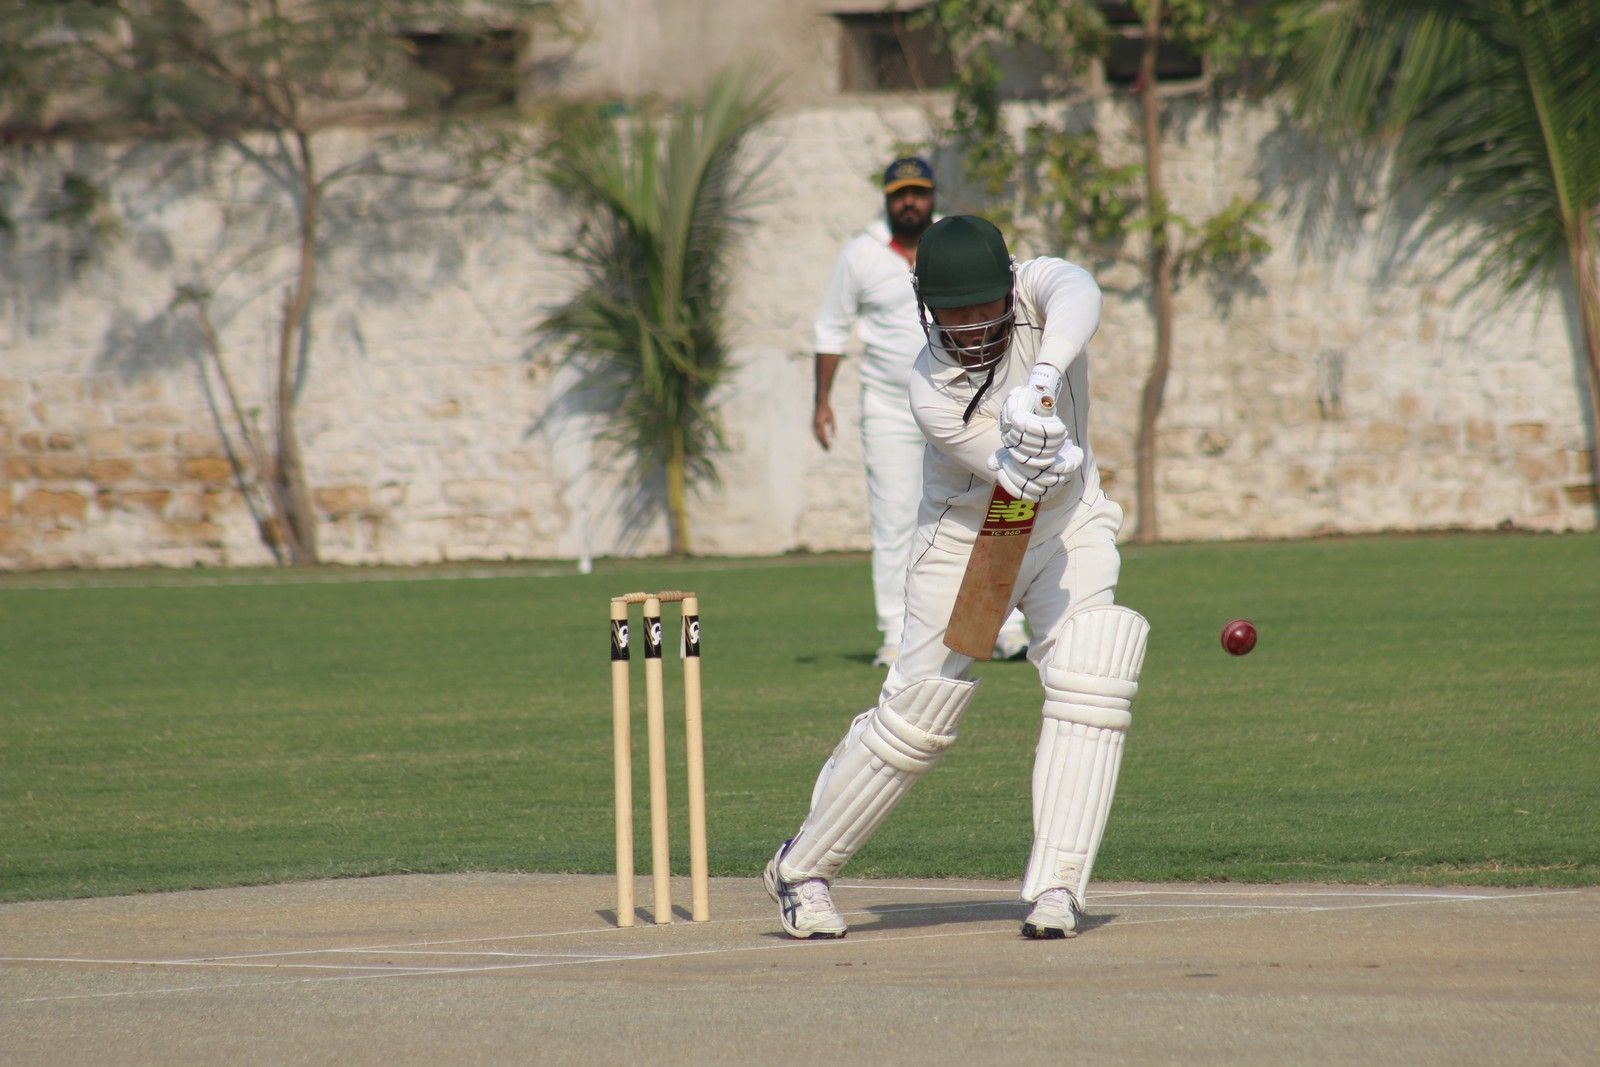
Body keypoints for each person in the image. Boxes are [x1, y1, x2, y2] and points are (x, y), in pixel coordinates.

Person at [767, 215, 1151, 940]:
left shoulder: (1038, 291)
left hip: (1068, 526)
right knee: (918, 717)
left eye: (983, 305)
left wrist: (1044, 377)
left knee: (1092, 676)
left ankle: (1059, 886)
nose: (971, 325)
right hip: (973, 539)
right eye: (954, 311)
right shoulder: (930, 388)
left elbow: (1081, 290)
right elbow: (1019, 476)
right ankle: (801, 867)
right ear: (926, 308)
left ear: (1009, 285)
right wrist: (1035, 453)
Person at [813, 157, 1030, 668]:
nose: (909, 202)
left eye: (918, 192)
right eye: (900, 194)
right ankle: (896, 633)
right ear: (887, 199)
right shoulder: (861, 254)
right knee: (894, 519)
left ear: (932, 195)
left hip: (965, 399)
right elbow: (831, 328)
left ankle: (1005, 627)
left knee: (996, 504)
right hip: (889, 407)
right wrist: (821, 401)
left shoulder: (952, 248)